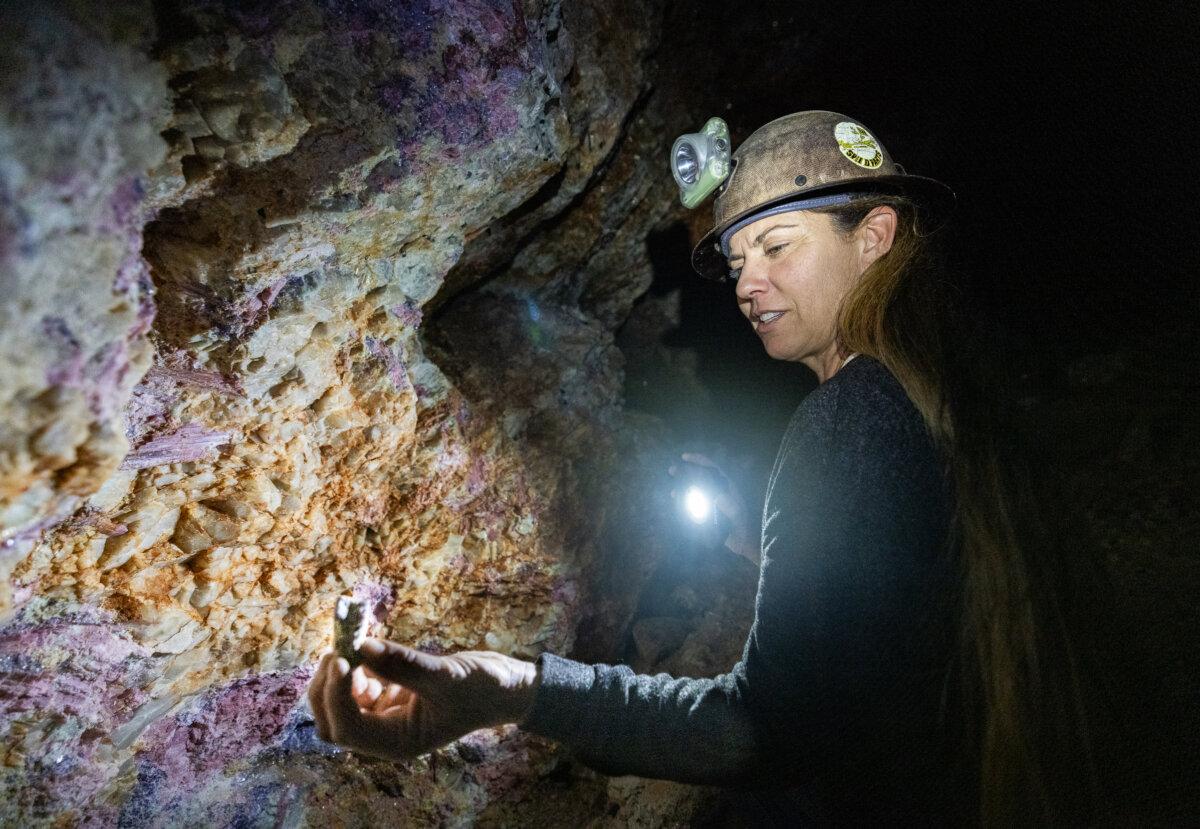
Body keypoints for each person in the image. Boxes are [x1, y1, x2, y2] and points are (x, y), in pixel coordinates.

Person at [307, 111, 1097, 824]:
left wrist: (508, 686)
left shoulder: (849, 418)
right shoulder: (945, 393)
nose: (748, 285)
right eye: (738, 256)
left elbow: (750, 732)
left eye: (778, 247)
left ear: (876, 234)